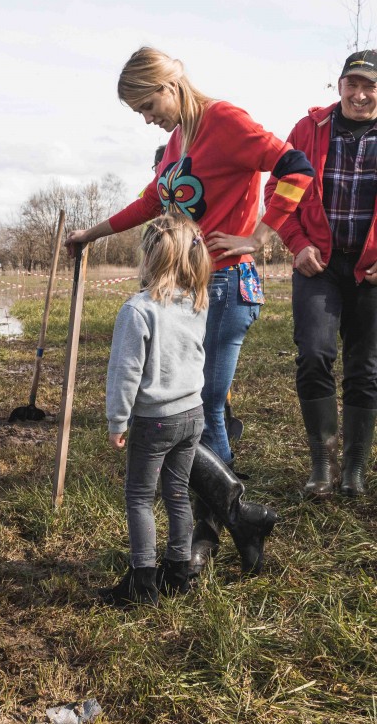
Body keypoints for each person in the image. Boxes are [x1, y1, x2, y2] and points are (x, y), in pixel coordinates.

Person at [67, 46, 316, 576]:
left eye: (146, 106)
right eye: (138, 112)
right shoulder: (179, 140)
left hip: (225, 284)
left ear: (170, 86)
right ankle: (231, 520)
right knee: (199, 409)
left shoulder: (225, 121)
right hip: (190, 289)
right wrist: (93, 232)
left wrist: (259, 234)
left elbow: (296, 166)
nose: (147, 118)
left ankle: (222, 522)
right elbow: (151, 202)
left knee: (200, 406)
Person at [260, 50, 377, 499]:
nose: (361, 94)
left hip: (370, 269)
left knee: (365, 368)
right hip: (318, 264)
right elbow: (277, 191)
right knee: (313, 354)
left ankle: (354, 470)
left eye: (370, 86)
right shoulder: (308, 130)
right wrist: (296, 242)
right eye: (353, 84)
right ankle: (322, 468)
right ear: (340, 84)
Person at [100, 215, 209, 607]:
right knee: (178, 492)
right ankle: (179, 570)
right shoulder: (198, 302)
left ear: (150, 258)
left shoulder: (138, 310)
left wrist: (118, 419)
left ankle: (142, 582)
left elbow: (125, 372)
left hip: (156, 419)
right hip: (192, 414)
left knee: (140, 497)